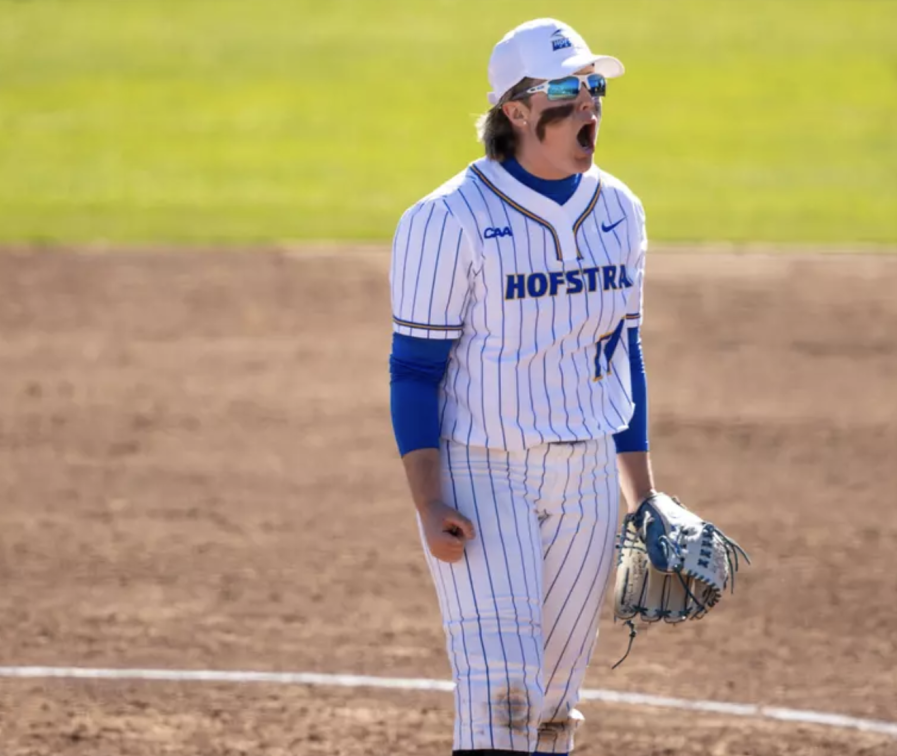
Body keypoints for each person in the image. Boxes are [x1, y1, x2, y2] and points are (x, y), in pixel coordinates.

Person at [388, 18, 655, 756]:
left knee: (552, 707)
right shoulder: (447, 220)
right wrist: (428, 498)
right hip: (483, 475)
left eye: (594, 88)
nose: (589, 105)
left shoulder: (619, 211)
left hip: (588, 480)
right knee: (502, 695)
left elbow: (622, 353)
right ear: (515, 109)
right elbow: (414, 369)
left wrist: (643, 499)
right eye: (566, 91)